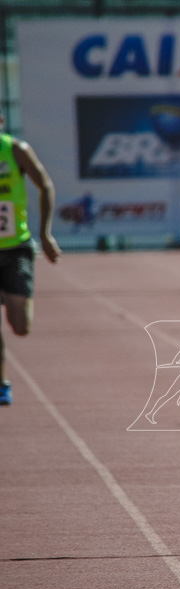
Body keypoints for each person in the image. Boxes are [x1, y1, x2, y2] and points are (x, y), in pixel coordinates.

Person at [0, 111, 60, 405]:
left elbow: (45, 185)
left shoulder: (15, 150)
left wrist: (45, 234)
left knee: (21, 326)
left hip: (16, 247)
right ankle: (2, 384)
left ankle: (9, 295)